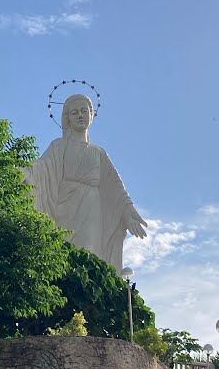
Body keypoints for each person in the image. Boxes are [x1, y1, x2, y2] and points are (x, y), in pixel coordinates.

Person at [24, 94, 147, 270]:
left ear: (91, 114)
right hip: (64, 207)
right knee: (63, 254)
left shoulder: (99, 153)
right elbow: (42, 168)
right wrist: (25, 171)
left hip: (91, 211)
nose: (80, 115)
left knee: (89, 256)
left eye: (84, 111)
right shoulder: (59, 146)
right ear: (67, 118)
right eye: (74, 113)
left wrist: (129, 213)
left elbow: (115, 188)